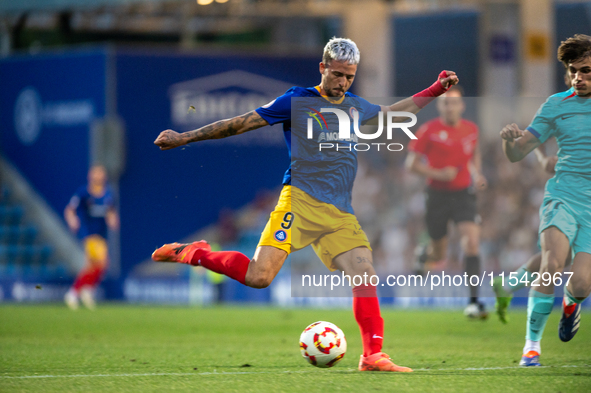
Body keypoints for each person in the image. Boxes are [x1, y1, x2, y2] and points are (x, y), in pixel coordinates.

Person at [152, 37, 458, 372]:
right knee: (259, 277)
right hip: (299, 201)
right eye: (337, 74)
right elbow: (239, 123)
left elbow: (390, 114)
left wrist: (435, 89)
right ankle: (193, 252)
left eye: (349, 77)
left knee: (364, 272)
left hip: (339, 212)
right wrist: (185, 137)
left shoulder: (355, 106)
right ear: (323, 68)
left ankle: (372, 355)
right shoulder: (297, 100)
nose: (342, 82)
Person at [499, 34, 591, 366]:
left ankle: (571, 305)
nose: (579, 77)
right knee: (552, 264)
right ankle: (531, 347)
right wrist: (510, 143)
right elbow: (517, 152)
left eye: (587, 70)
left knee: (580, 284)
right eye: (573, 70)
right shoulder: (555, 105)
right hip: (563, 194)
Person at [405, 85, 488, 319]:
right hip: (437, 195)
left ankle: (474, 302)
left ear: (461, 105)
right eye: (445, 103)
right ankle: (425, 255)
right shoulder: (428, 130)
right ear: (440, 106)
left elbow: (473, 154)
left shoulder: (471, 130)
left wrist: (477, 174)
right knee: (439, 255)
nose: (450, 107)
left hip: (463, 194)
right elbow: (410, 164)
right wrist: (440, 174)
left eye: (454, 102)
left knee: (471, 242)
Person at [64, 165, 119, 310]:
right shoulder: (83, 193)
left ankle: (84, 290)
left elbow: (111, 211)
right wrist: (72, 220)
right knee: (102, 263)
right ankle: (75, 292)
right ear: (90, 176)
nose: (98, 176)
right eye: (96, 174)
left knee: (94, 267)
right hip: (88, 234)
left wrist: (113, 219)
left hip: (102, 235)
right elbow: (70, 209)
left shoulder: (108, 194)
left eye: (101, 174)